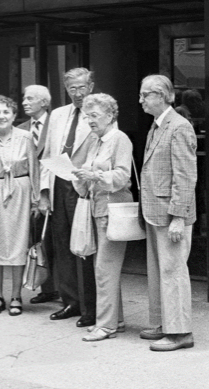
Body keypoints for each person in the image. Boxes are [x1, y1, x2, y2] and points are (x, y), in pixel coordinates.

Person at [138, 74, 197, 351]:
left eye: (145, 95)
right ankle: (165, 323)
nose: (140, 100)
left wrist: (178, 218)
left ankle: (180, 332)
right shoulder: (157, 126)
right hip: (155, 212)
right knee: (160, 272)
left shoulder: (179, 127)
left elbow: (185, 177)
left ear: (161, 96)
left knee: (173, 272)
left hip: (170, 215)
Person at [72, 93, 133, 341]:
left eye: (94, 116)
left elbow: (122, 176)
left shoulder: (120, 139)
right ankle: (113, 320)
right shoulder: (96, 140)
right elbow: (90, 175)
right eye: (87, 116)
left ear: (110, 115)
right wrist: (79, 176)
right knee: (107, 268)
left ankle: (105, 325)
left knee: (104, 268)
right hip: (99, 208)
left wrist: (95, 175)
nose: (89, 121)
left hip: (113, 209)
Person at [0, 95, 43, 317]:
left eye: (6, 112)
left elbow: (34, 169)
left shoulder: (25, 137)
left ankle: (15, 296)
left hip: (19, 192)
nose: (1, 116)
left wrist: (36, 199)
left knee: (17, 244)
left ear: (14, 115)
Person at [45, 67, 97, 327]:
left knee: (84, 247)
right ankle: (70, 301)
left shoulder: (100, 112)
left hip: (82, 186)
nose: (77, 94)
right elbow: (48, 152)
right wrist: (44, 193)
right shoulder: (56, 115)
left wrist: (85, 177)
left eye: (82, 87)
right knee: (63, 244)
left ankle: (90, 306)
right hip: (58, 183)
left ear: (91, 86)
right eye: (72, 89)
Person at [17, 84, 59, 305]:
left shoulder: (57, 125)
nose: (25, 102)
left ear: (44, 102)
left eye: (30, 98)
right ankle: (46, 287)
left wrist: (45, 193)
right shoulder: (22, 129)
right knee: (36, 239)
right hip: (26, 193)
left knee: (53, 240)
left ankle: (60, 287)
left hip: (51, 191)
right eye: (24, 98)